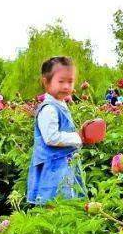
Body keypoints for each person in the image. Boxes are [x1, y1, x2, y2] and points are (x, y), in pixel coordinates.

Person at [26, 56, 96, 204]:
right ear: (46, 82)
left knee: (67, 200)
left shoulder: (60, 104)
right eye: (61, 81)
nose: (66, 86)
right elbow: (51, 137)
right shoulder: (49, 108)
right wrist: (79, 137)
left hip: (63, 163)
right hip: (53, 166)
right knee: (53, 201)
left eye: (70, 81)